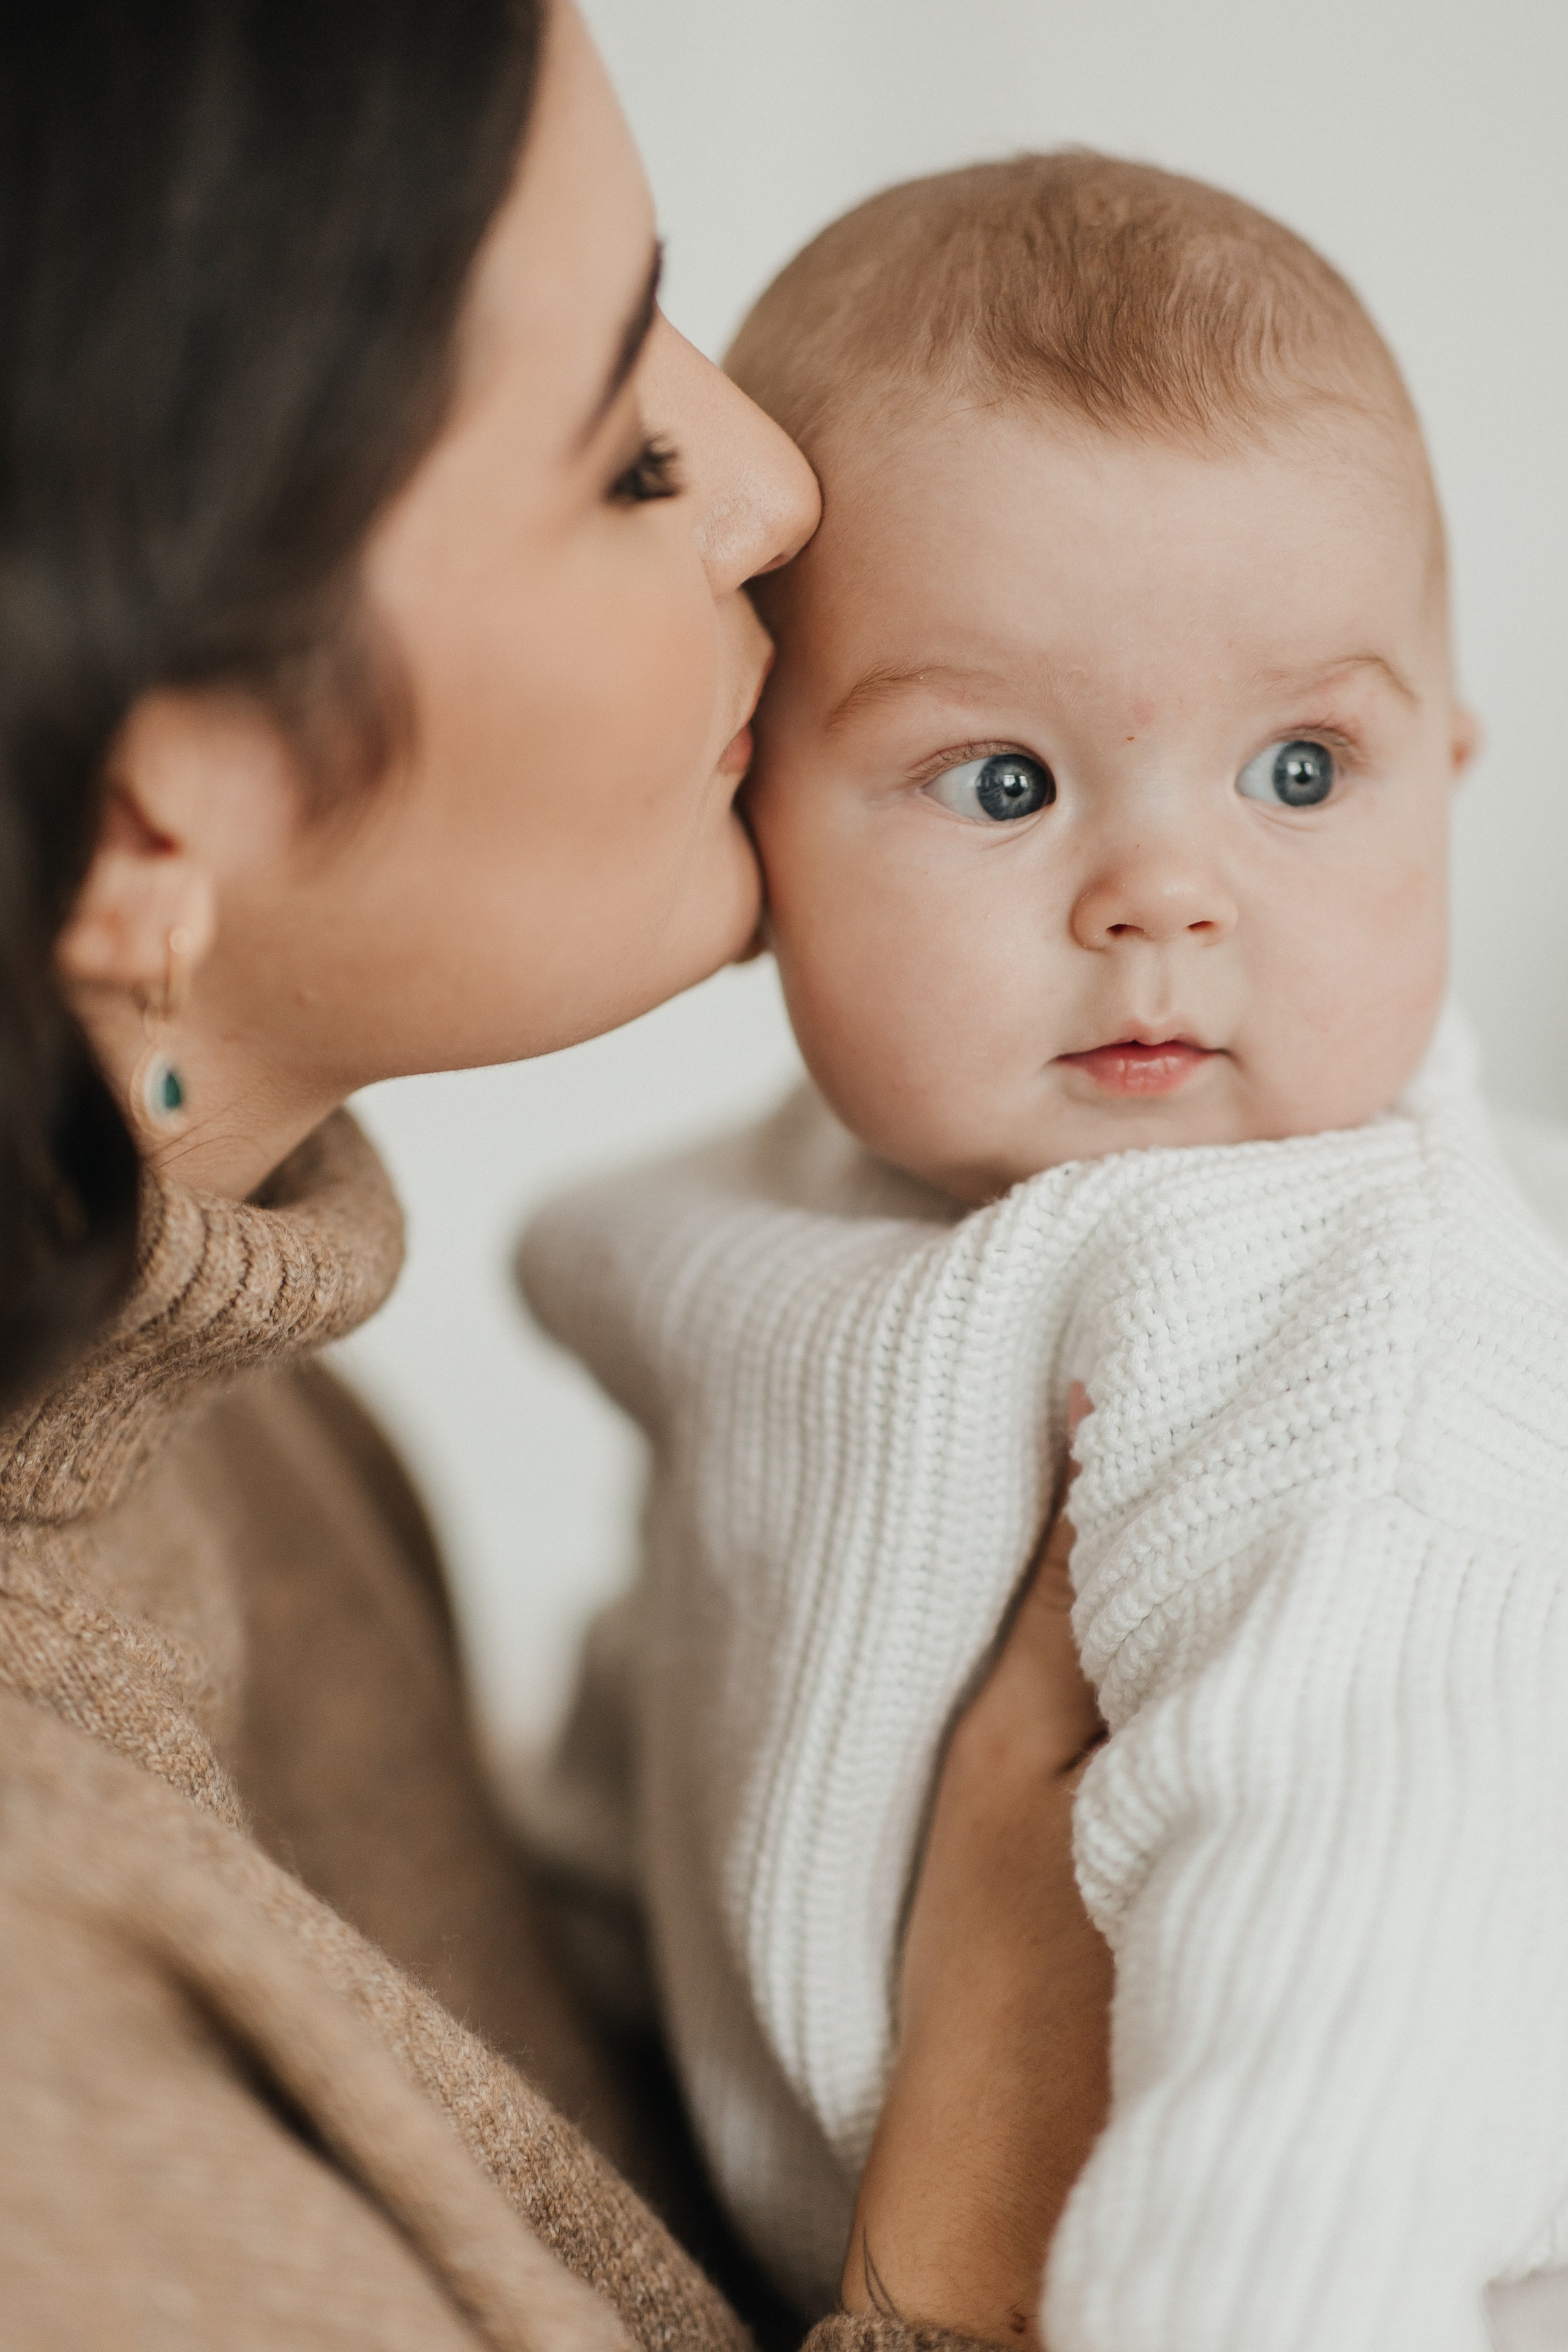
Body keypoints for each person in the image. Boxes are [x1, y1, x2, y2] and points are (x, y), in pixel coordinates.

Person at [0, 7, 1110, 2348]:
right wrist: (992, 2174)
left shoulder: (213, 1384)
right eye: (620, 450)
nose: (777, 487)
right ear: (137, 811)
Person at [519, 156, 1568, 2350]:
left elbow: (1343, 2014)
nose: (1164, 893)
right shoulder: (791, 1224)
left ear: (1449, 781)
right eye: (1001, 784)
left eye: (1303, 764)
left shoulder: (1348, 1335)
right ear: (752, 823)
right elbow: (704, 1704)